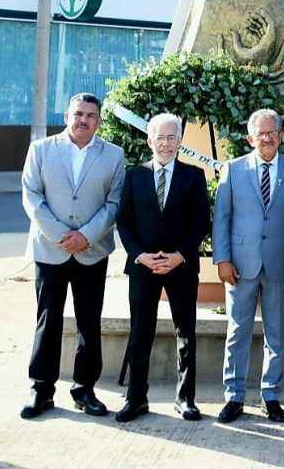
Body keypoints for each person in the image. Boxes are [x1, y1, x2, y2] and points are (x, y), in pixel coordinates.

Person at [20, 92, 125, 419]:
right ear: (67, 116)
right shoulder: (41, 149)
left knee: (89, 323)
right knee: (47, 321)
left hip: (92, 253)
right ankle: (41, 390)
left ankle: (85, 390)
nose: (84, 120)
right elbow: (32, 197)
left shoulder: (114, 155)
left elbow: (114, 204)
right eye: (78, 114)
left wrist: (86, 237)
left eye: (91, 115)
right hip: (50, 250)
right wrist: (62, 236)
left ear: (99, 121)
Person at [212, 108, 284, 422]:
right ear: (250, 137)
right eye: (261, 133)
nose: (267, 138)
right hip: (240, 265)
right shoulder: (233, 169)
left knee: (276, 333)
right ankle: (234, 396)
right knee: (237, 330)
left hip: (280, 266)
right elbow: (222, 217)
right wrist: (223, 259)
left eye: (273, 132)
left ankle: (271, 395)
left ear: (281, 136)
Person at [115, 114, 210, 423]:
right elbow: (124, 221)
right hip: (143, 267)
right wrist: (139, 255)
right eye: (160, 137)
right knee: (141, 332)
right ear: (149, 140)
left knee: (186, 333)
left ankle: (185, 399)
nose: (166, 143)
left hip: (181, 266)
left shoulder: (194, 176)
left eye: (172, 138)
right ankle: (136, 398)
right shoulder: (134, 175)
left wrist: (180, 255)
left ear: (180, 141)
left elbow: (201, 223)